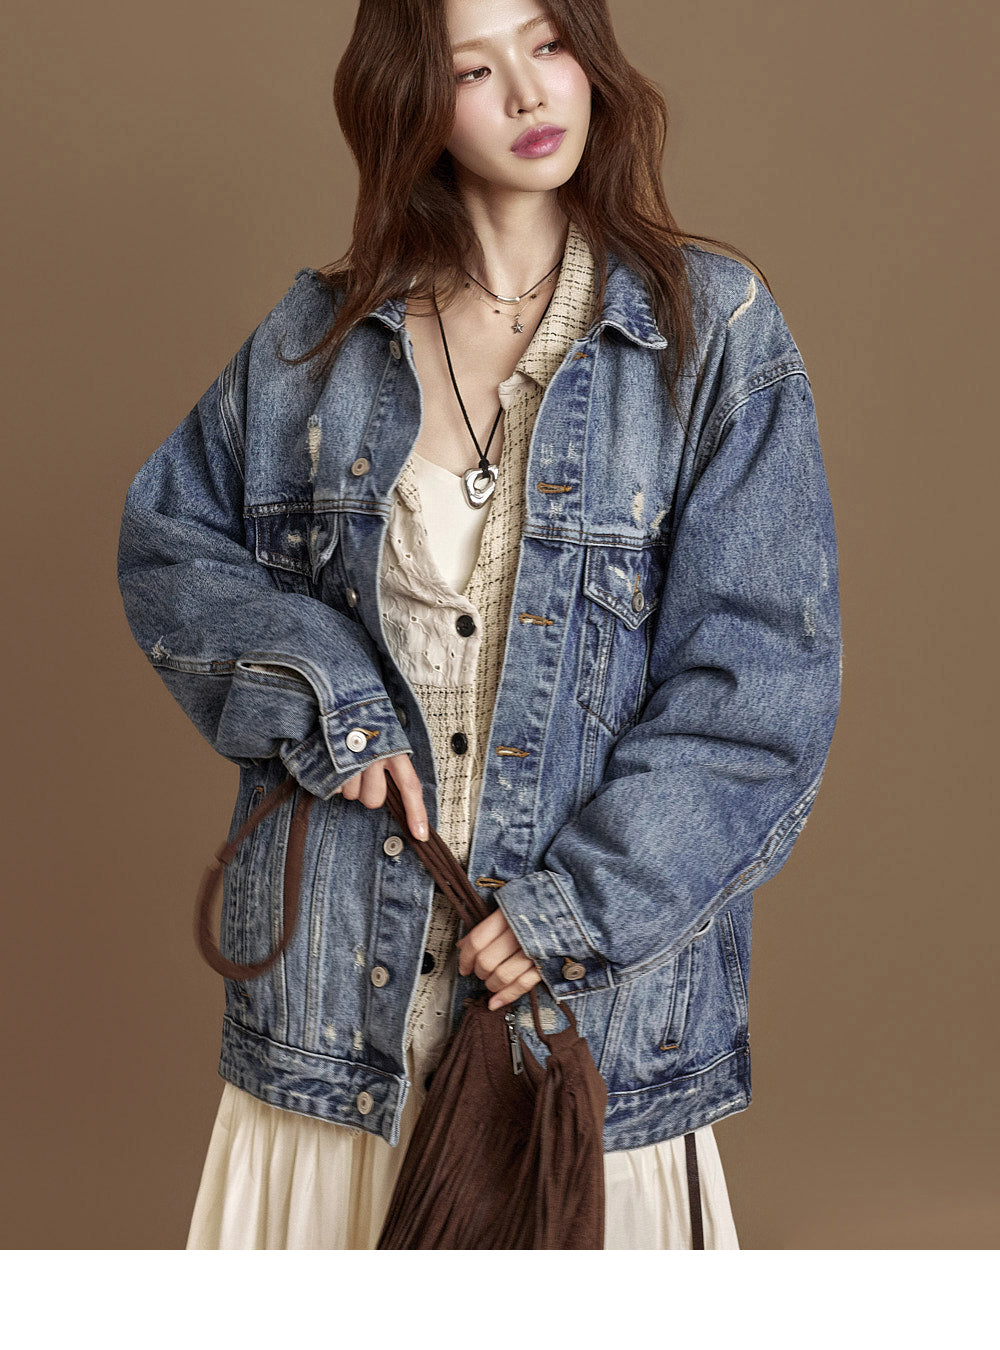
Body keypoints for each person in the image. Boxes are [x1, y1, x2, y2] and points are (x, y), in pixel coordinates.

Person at [117, 0, 841, 1249]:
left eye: (547, 43)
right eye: (471, 66)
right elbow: (169, 546)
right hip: (336, 1027)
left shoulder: (709, 332)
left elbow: (760, 688)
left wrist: (575, 915)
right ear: (411, 99)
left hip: (585, 1026)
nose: (527, 91)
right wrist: (326, 694)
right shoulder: (315, 342)